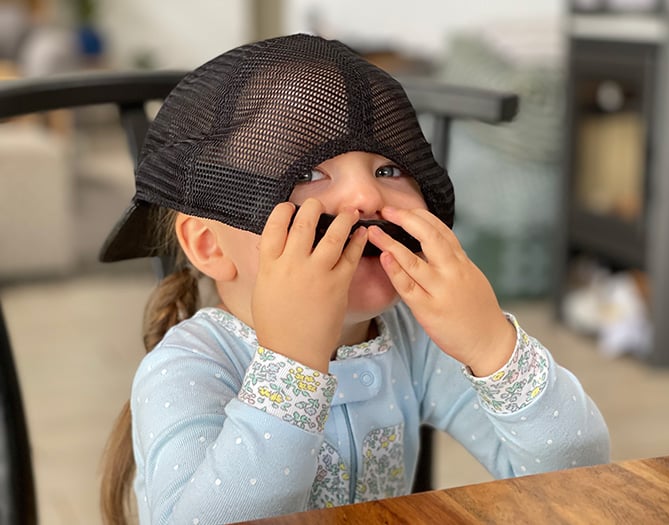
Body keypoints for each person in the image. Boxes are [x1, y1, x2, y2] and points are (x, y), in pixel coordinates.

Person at [99, 33, 610, 525]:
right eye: (307, 173)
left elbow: (575, 478)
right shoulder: (187, 368)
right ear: (209, 245)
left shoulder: (413, 341)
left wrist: (494, 347)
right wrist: (292, 363)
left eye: (389, 170)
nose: (367, 198)